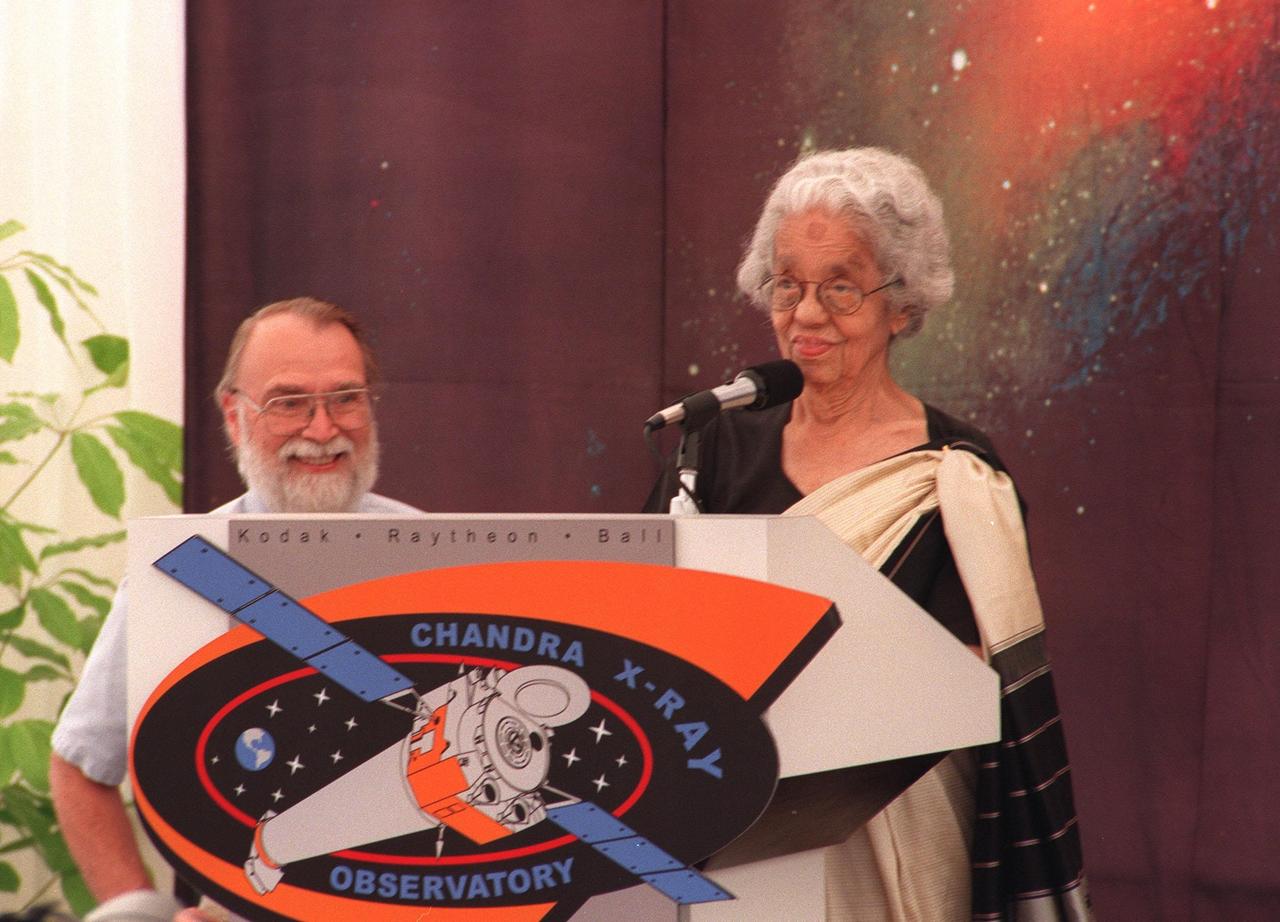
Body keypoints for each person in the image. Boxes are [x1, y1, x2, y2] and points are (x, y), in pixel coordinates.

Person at [647, 149, 1090, 920]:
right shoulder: (712, 450)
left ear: (902, 303)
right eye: (789, 283)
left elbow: (960, 687)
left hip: (891, 851)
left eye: (841, 287)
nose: (807, 315)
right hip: (730, 839)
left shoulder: (954, 479)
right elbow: (643, 636)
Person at [49, 298, 419, 922]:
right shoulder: (184, 570)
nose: (324, 428)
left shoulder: (436, 553)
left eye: (346, 398)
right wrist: (146, 911)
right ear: (234, 414)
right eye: (289, 402)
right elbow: (80, 767)